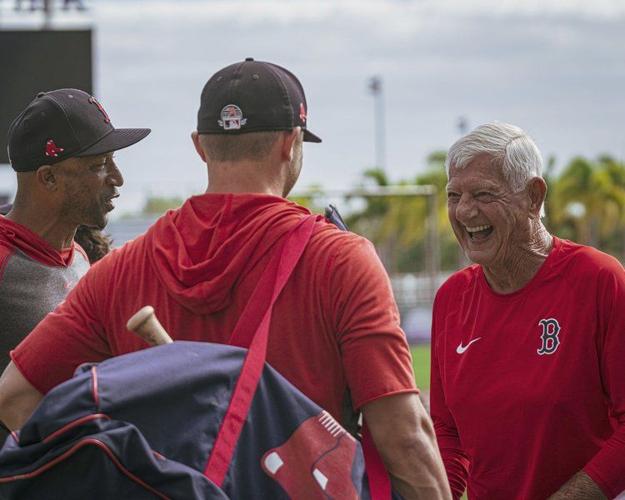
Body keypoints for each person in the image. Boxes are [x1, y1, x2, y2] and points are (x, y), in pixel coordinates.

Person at [0, 59, 450, 498]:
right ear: (290, 145)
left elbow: (15, 397)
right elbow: (404, 436)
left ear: (200, 146)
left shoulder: (122, 268)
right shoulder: (340, 259)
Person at [430, 122, 625, 499]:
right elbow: (447, 432)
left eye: (484, 194)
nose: (466, 211)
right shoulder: (452, 298)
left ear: (533, 196)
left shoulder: (600, 280)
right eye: (454, 195)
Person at [0, 88, 150, 381]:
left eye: (113, 161)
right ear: (49, 178)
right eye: (99, 165)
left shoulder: (79, 254)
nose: (118, 178)